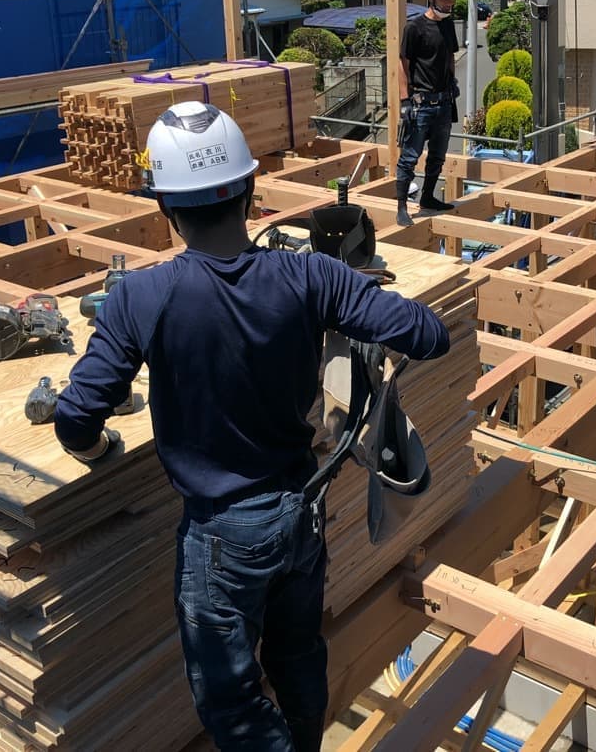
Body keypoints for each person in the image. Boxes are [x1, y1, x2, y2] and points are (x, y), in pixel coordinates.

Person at [53, 102, 450, 752]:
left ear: (165, 206)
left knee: (231, 701)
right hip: (300, 512)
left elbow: (75, 420)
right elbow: (428, 335)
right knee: (297, 652)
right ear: (248, 191)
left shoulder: (140, 297)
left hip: (222, 536)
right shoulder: (311, 275)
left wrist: (99, 446)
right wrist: (351, 295)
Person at [395, 0, 460, 226]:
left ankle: (428, 198)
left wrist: (452, 81)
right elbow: (403, 64)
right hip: (421, 104)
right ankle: (401, 208)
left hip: (443, 103)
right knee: (409, 157)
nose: (448, 3)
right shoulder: (414, 28)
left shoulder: (448, 25)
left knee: (437, 156)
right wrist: (404, 101)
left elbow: (450, 55)